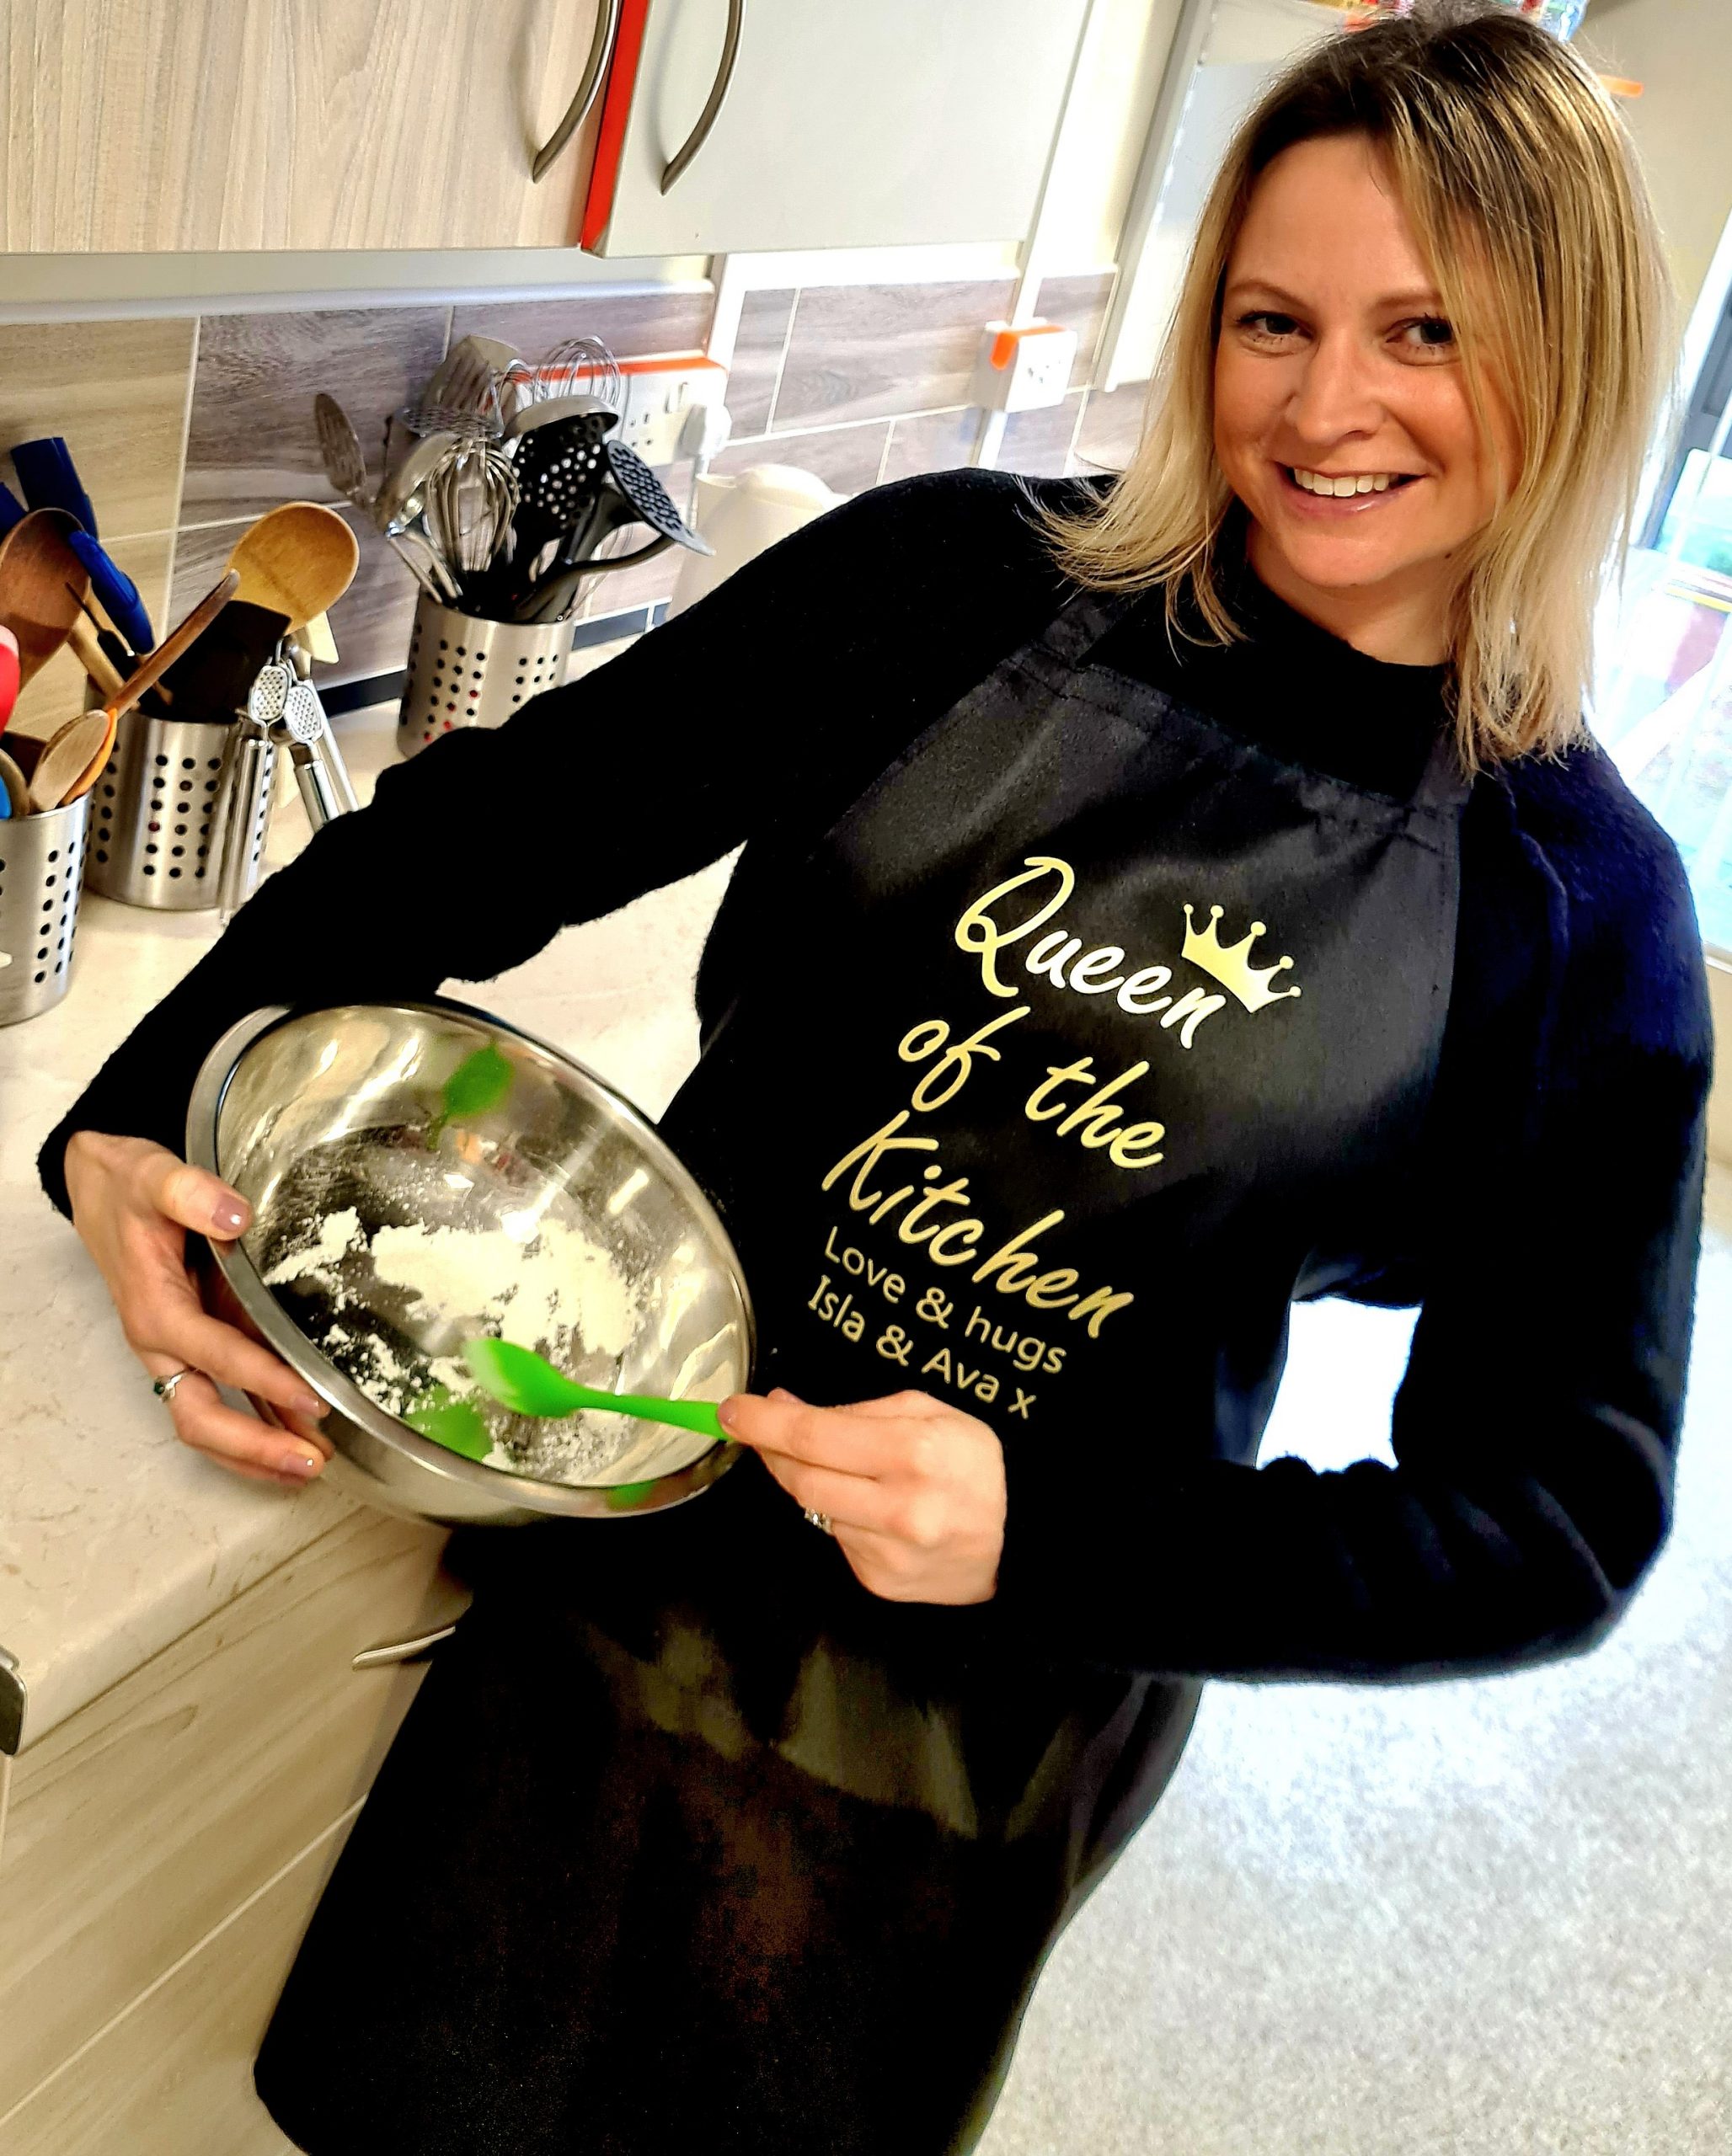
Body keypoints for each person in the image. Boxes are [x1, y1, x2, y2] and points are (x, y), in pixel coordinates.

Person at [40, 5, 1713, 2152]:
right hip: (603, 1553)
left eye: (1426, 334)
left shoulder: (1575, 909)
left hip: (978, 1717)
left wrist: (1045, 1531)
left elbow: (1552, 1512)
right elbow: (478, 839)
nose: (1324, 406)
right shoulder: (953, 591)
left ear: (1562, 366)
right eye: (1270, 318)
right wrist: (139, 1101)